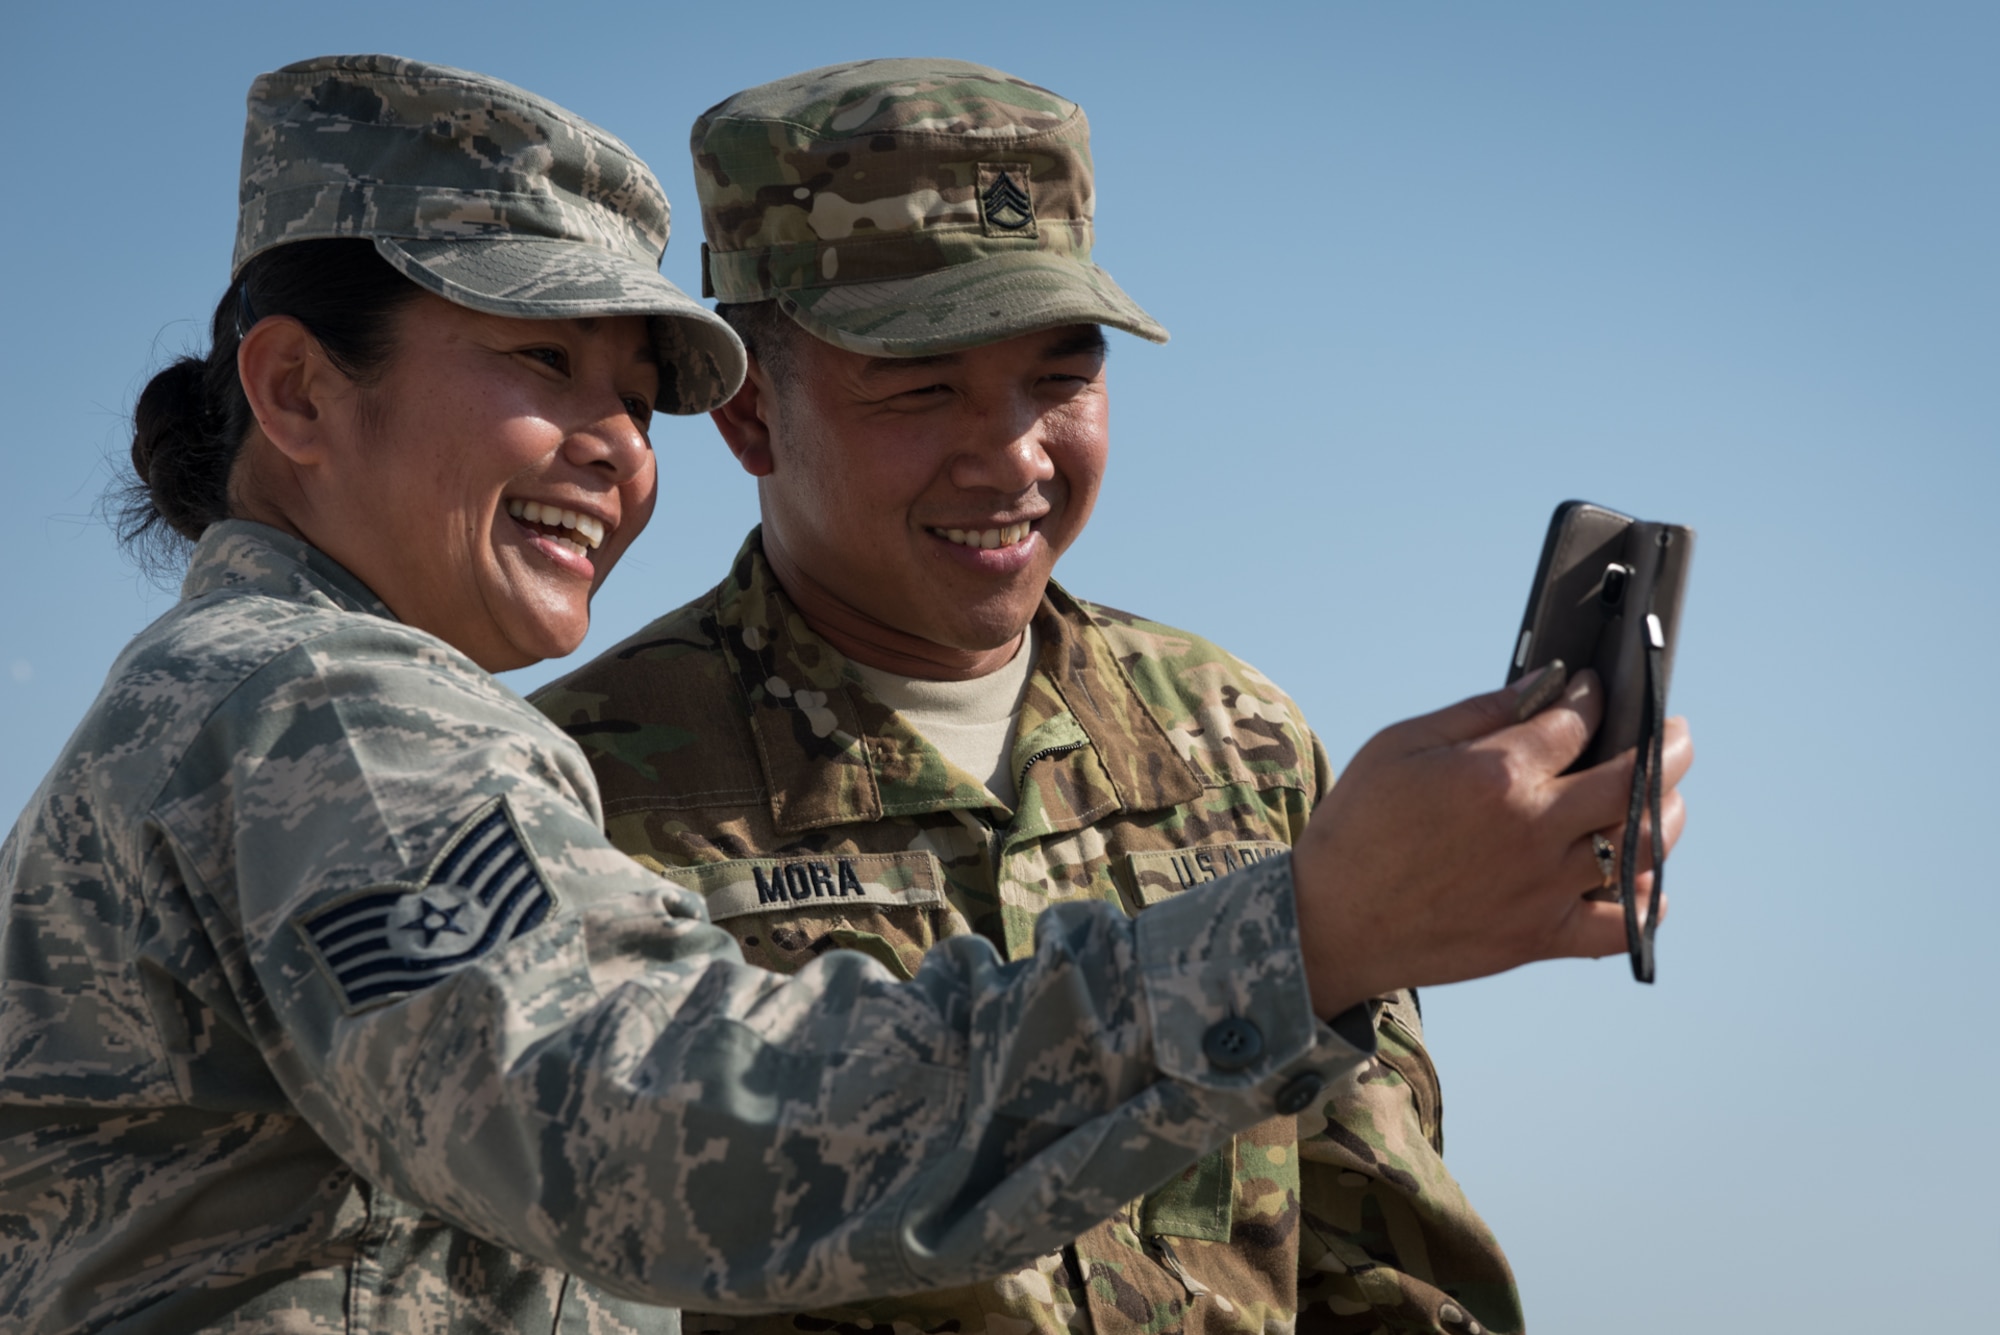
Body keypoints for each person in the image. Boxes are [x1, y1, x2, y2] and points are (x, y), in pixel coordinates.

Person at [0, 54, 1685, 1335]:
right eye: (536, 360)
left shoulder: (1231, 729)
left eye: (632, 386)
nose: (607, 441)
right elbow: (654, 1131)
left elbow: (1372, 1240)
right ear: (294, 390)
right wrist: (1307, 934)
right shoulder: (327, 719)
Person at [532, 59, 1691, 1335]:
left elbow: (1370, 1242)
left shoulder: (1230, 736)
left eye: (1062, 378)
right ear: (751, 415)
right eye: (922, 386)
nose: (1016, 453)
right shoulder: (573, 786)